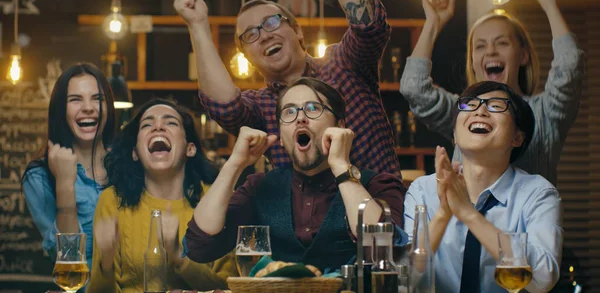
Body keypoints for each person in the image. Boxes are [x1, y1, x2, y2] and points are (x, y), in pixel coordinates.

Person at [173, 0, 402, 179]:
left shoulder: (343, 63)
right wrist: (198, 25)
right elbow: (224, 107)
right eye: (251, 34)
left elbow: (370, 26)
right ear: (246, 57)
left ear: (297, 31)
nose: (264, 36)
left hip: (382, 211)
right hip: (310, 218)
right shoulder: (261, 107)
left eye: (271, 22)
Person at [185, 78, 407, 273]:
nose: (300, 119)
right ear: (281, 137)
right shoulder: (260, 188)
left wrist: (341, 165)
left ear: (339, 126)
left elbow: (387, 253)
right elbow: (200, 245)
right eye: (289, 112)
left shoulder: (377, 184)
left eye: (313, 108)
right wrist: (234, 164)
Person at [400, 0, 584, 184]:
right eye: (480, 46)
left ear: (523, 55)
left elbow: (569, 64)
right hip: (463, 217)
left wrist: (549, 2)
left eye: (502, 43)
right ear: (473, 61)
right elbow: (414, 88)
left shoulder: (546, 112)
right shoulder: (463, 110)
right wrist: (432, 24)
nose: (490, 51)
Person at [404, 81, 562, 293]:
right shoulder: (423, 190)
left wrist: (469, 214)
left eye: (496, 106)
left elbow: (544, 279)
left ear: (517, 137)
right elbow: (405, 279)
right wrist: (444, 212)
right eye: (469, 105)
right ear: (454, 136)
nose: (480, 111)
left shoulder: (538, 194)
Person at [86, 99, 236, 293]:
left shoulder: (218, 201)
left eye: (171, 123)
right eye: (147, 124)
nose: (158, 127)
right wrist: (105, 265)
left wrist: (178, 258)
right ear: (135, 153)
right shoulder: (112, 201)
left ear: (190, 148)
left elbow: (228, 288)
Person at [22, 63, 117, 270]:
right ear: (60, 110)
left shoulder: (129, 162)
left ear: (108, 107)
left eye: (97, 99)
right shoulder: (39, 176)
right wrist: (65, 184)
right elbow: (69, 261)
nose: (88, 107)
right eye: (75, 100)